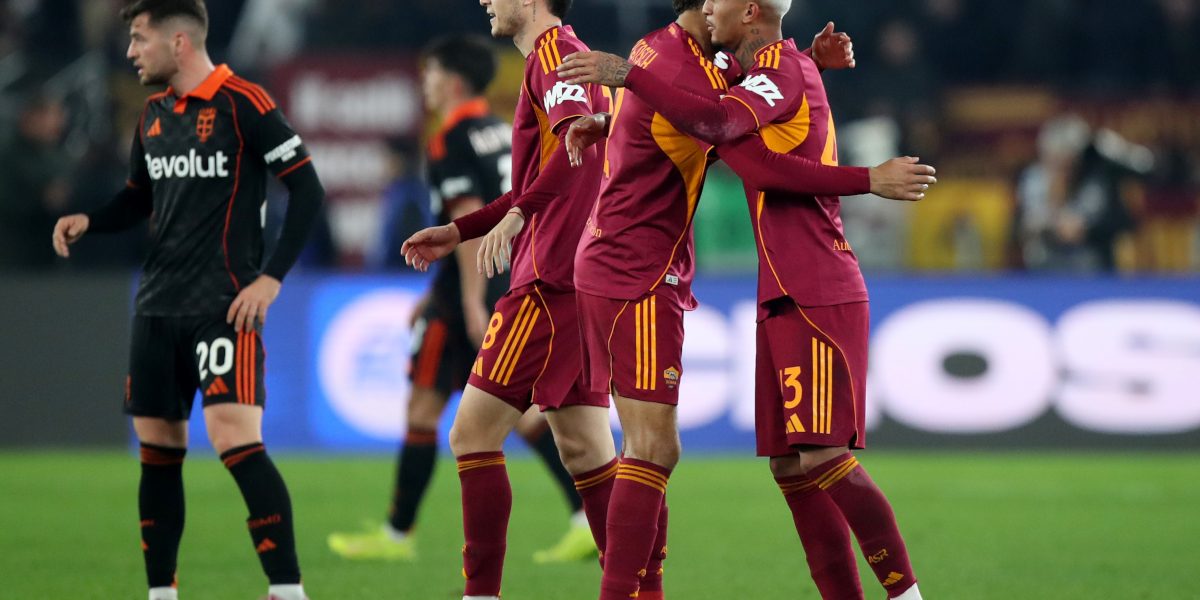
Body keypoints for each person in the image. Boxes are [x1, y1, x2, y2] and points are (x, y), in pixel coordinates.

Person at [557, 0, 933, 598]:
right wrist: (619, 116)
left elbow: (735, 140)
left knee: (822, 458)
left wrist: (868, 178)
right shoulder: (748, 68)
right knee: (790, 466)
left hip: (815, 285)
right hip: (774, 287)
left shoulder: (745, 66)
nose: (711, 10)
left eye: (720, 1)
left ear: (749, 9)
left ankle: (906, 594)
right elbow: (724, 114)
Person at [50, 2, 324, 599]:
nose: (130, 51)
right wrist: (90, 221)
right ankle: (161, 593)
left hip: (224, 304)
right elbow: (137, 198)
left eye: (139, 38)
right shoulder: (151, 115)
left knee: (234, 438)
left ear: (178, 42)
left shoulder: (244, 102)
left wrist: (271, 279)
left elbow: (307, 188)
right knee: (158, 451)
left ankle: (287, 590)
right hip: (156, 306)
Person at [327, 34, 596, 565]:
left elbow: (469, 218)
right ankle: (582, 517)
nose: (424, 84)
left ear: (451, 81)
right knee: (516, 412)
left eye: (429, 73)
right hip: (507, 277)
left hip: (469, 292)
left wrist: (470, 301)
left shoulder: (448, 138)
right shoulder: (498, 130)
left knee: (430, 411)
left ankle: (398, 535)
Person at [398, 1, 621, 598]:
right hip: (580, 277)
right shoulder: (563, 56)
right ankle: (635, 586)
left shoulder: (555, 55)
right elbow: (534, 180)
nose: (485, 1)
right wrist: (459, 231)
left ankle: (481, 595)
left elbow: (576, 149)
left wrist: (520, 216)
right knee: (585, 449)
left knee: (471, 435)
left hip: (547, 281)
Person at [0, 92, 70, 269]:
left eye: (58, 115)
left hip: (49, 255)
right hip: (15, 254)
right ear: (30, 117)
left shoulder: (59, 157)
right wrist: (42, 199)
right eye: (49, 115)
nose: (57, 122)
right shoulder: (8, 156)